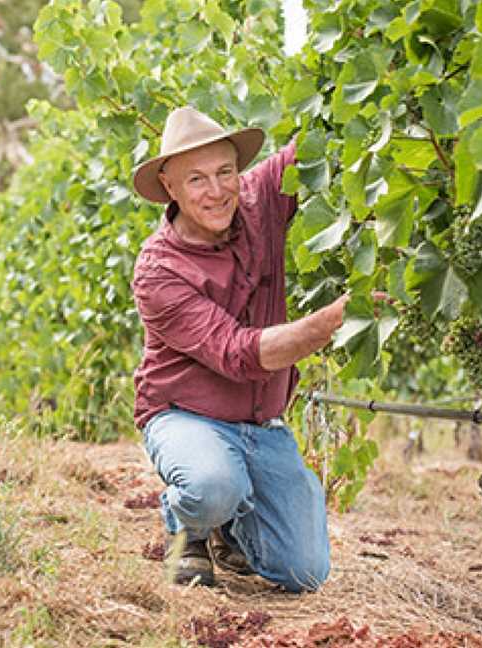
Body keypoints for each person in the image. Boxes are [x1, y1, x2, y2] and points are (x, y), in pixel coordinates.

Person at [130, 106, 348, 593]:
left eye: (225, 172)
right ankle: (189, 526)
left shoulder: (260, 199)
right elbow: (238, 353)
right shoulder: (158, 270)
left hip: (260, 425)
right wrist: (328, 324)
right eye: (197, 180)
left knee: (303, 572)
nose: (217, 191)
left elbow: (321, 136)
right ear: (170, 187)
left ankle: (232, 525)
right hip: (186, 417)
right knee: (212, 485)